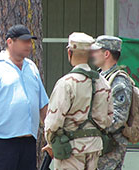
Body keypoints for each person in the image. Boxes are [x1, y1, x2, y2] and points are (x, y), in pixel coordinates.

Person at [0, 24, 49, 170]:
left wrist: (51, 137)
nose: (28, 45)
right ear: (10, 42)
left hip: (28, 144)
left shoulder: (32, 67)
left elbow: (43, 106)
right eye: (24, 41)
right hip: (1, 144)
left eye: (30, 41)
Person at [43, 32, 113, 170]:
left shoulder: (66, 83)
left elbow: (53, 122)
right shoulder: (103, 83)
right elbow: (109, 119)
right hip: (95, 147)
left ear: (70, 53)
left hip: (70, 149)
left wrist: (51, 142)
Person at [91, 35, 132, 170]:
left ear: (106, 53)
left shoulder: (119, 82)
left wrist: (93, 128)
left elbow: (119, 119)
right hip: (99, 145)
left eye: (96, 51)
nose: (93, 54)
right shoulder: (101, 77)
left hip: (110, 149)